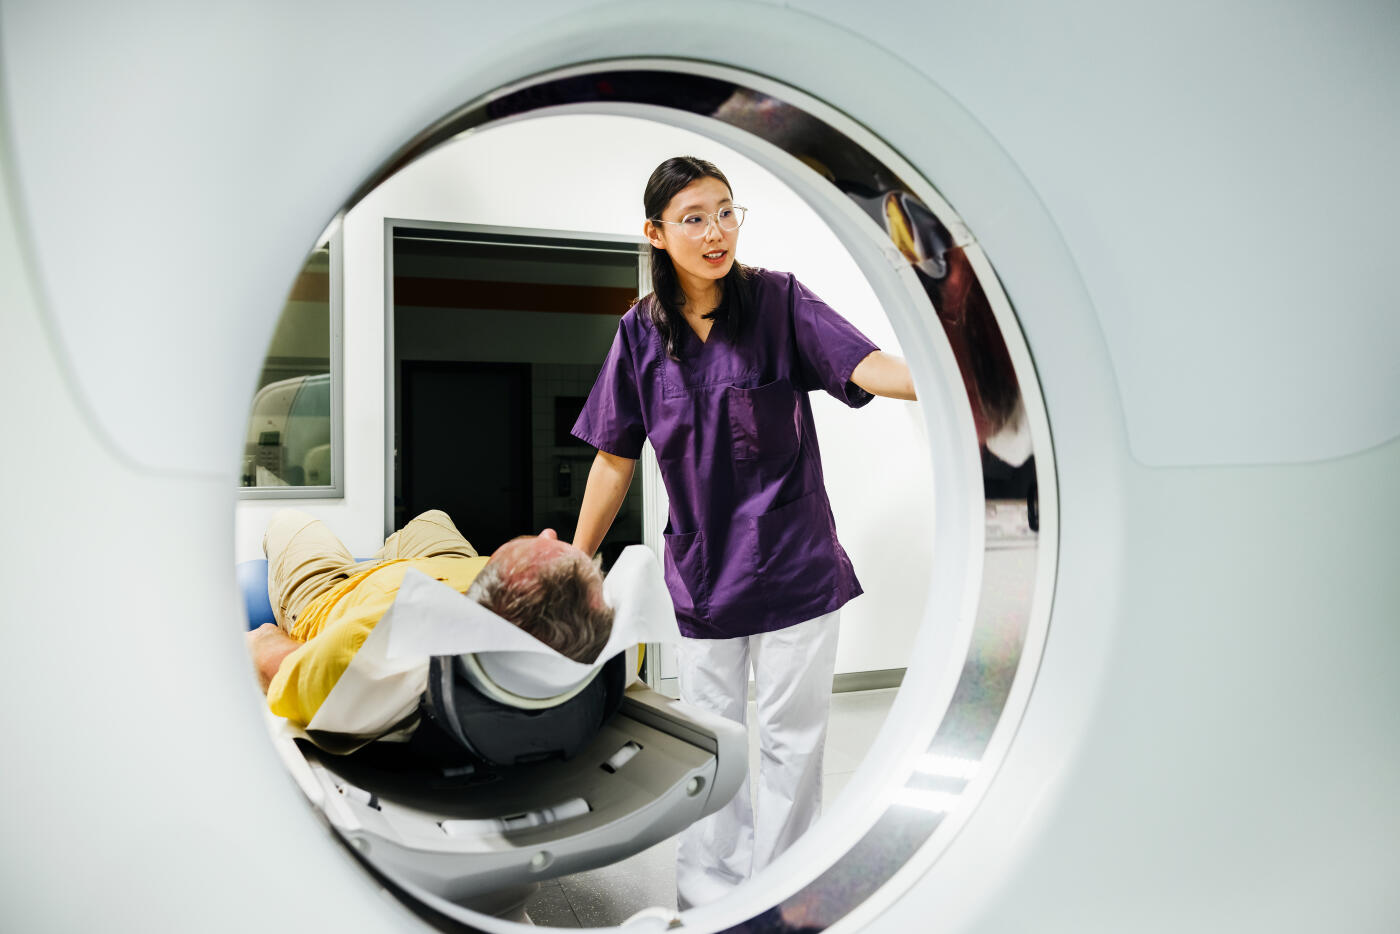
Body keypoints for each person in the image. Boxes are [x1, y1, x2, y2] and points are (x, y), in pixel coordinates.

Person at [570, 156, 916, 909]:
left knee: (793, 740)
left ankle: (789, 892)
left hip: (794, 565)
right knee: (713, 744)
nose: (715, 230)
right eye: (693, 217)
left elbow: (863, 363)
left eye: (726, 211)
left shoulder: (779, 302)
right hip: (703, 576)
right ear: (656, 234)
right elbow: (613, 457)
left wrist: (946, 376)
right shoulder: (640, 333)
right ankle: (713, 893)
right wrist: (576, 556)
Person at [246, 508, 613, 737]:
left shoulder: (374, 642)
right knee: (432, 518)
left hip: (339, 590)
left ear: (508, 586)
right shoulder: (605, 639)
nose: (549, 533)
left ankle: (372, 560)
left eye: (540, 553)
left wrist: (266, 634)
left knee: (289, 521)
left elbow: (271, 658)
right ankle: (392, 551)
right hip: (451, 566)